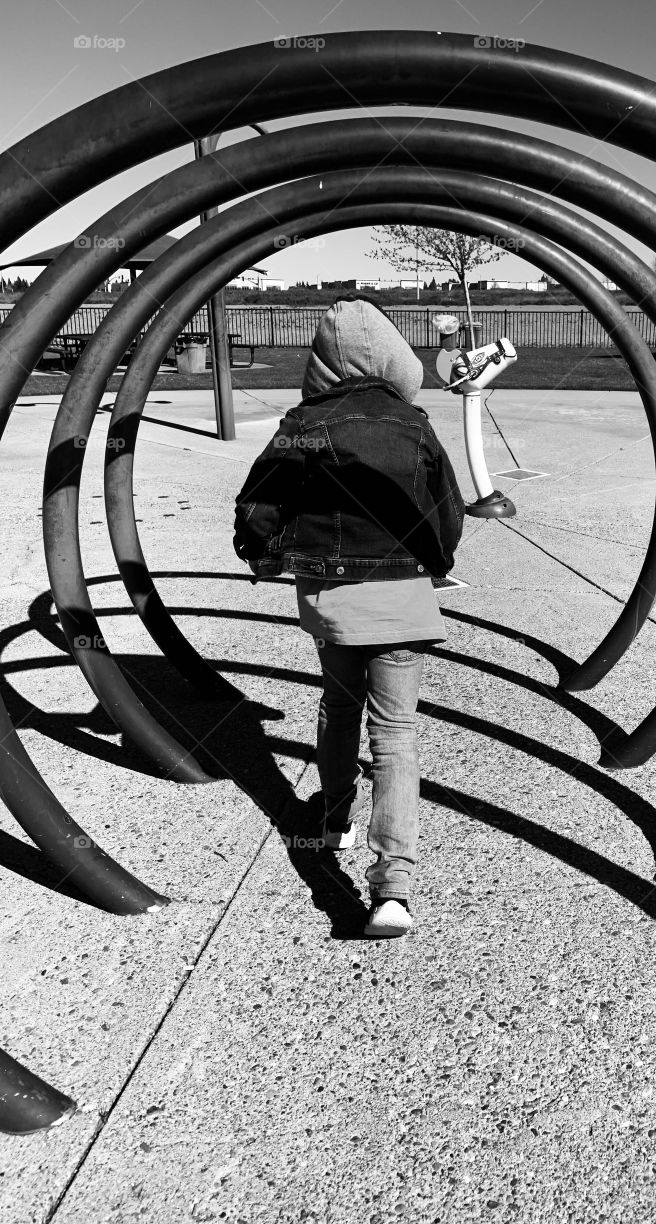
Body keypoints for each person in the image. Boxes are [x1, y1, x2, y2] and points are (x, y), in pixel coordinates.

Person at [233, 295, 465, 938]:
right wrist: (438, 562)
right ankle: (393, 889)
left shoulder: (302, 422)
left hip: (331, 600)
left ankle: (334, 823)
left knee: (339, 711)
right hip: (403, 600)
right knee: (396, 736)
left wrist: (263, 554)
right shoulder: (413, 422)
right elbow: (445, 510)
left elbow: (259, 502)